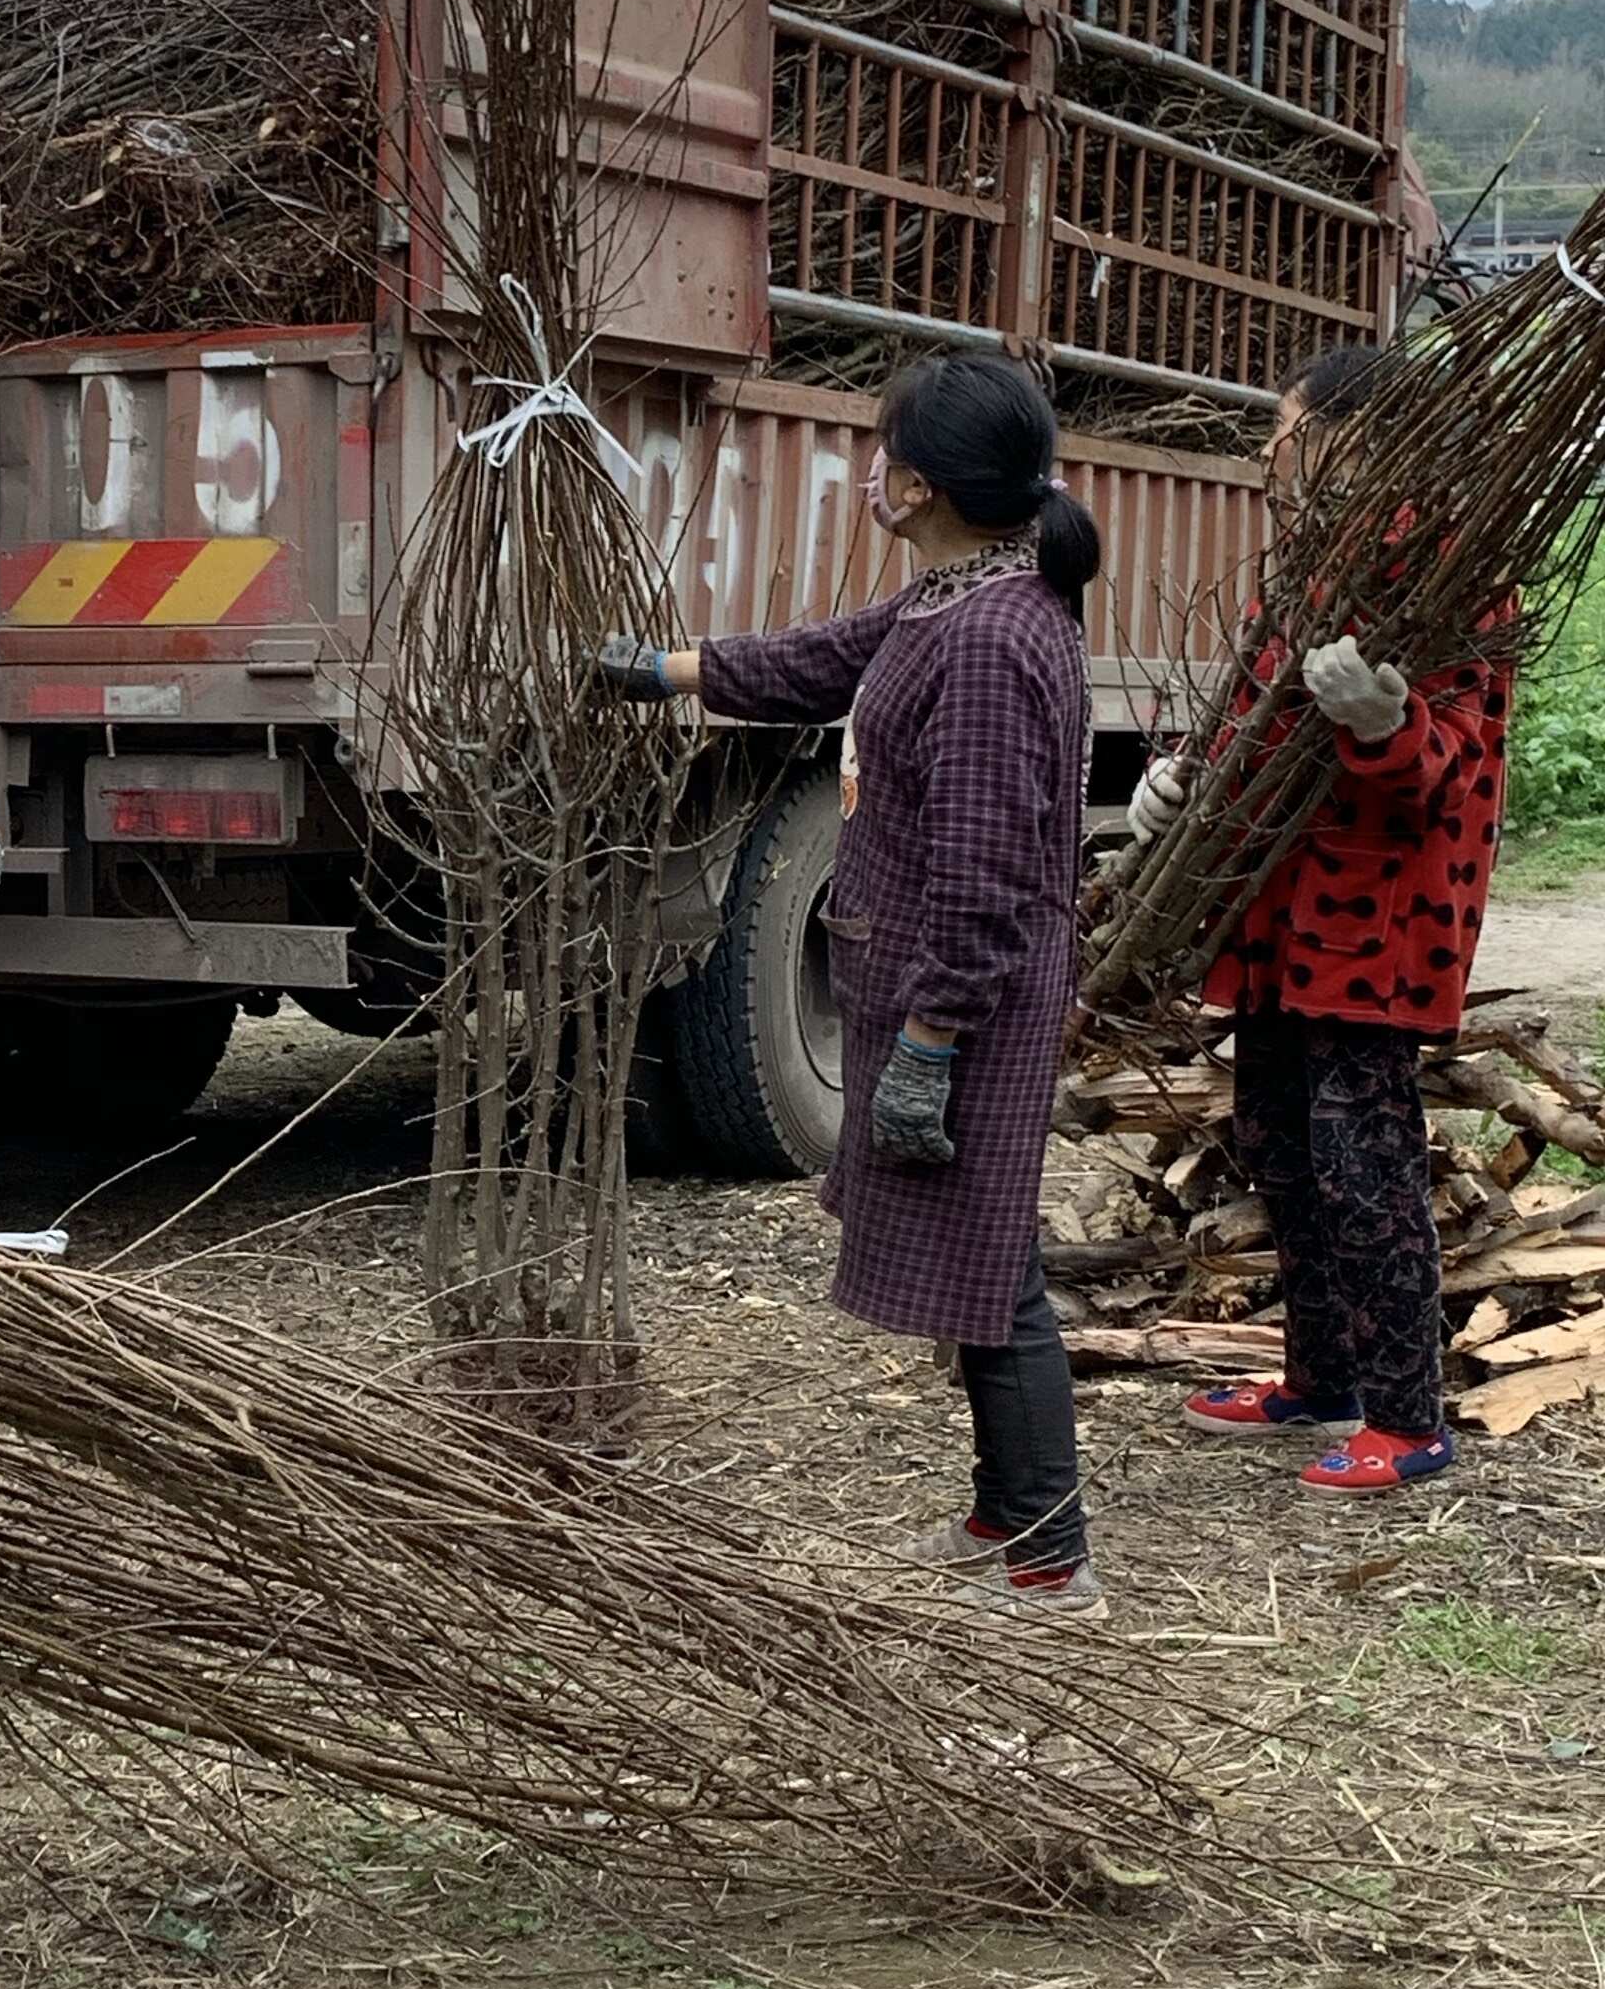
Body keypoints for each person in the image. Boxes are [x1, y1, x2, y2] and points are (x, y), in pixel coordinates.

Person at [600, 354, 1104, 1617]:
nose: (869, 467)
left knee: (994, 1276)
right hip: (948, 995)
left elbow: (987, 875)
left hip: (969, 1004)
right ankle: (1005, 1516)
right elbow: (821, 661)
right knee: (973, 1265)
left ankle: (1051, 1564)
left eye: (883, 451)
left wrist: (933, 1039)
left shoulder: (990, 637)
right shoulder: (961, 595)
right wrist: (666, 672)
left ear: (918, 483)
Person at [1129, 342, 1509, 1491]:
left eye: (1283, 424)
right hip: (1281, 912)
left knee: (1362, 1157)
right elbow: (1251, 729)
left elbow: (1445, 774)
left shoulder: (1452, 569)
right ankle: (1320, 1380)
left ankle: (1409, 1418)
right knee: (1279, 1143)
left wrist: (1385, 720)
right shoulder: (1304, 565)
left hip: (1376, 914)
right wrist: (1182, 780)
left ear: (1347, 432)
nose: (1266, 447)